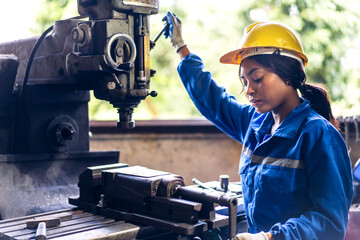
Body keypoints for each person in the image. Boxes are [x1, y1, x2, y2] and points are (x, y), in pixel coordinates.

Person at [163, 12, 353, 240]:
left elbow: (330, 223)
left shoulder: (319, 135)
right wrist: (181, 48)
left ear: (288, 75)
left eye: (258, 78)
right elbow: (213, 100)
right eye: (244, 81)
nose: (249, 90)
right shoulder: (254, 124)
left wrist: (270, 238)